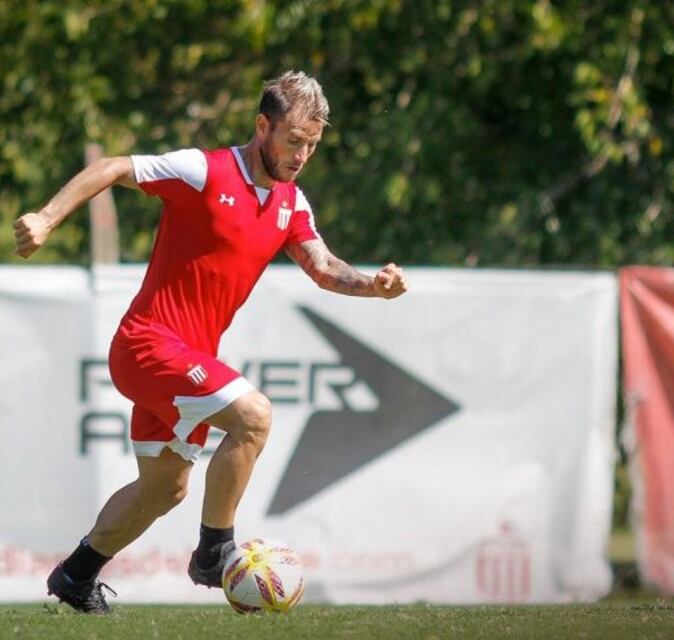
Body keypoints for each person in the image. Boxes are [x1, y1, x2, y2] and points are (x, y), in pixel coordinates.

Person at [13, 71, 408, 614]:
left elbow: (322, 267)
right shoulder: (204, 170)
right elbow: (111, 168)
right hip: (146, 344)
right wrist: (45, 217)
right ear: (262, 126)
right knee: (254, 415)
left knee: (164, 490)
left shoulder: (292, 202)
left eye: (311, 145)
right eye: (293, 140)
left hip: (187, 359)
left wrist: (374, 287)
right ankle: (214, 551)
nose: (301, 155)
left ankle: (76, 577)